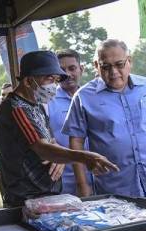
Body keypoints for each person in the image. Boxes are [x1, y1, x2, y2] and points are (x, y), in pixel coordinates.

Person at [0, 50, 118, 231]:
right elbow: (41, 148)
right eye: (49, 78)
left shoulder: (35, 105)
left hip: (46, 196)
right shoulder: (16, 108)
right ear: (29, 80)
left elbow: (47, 145)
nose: (54, 85)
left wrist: (59, 161)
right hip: (27, 199)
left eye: (55, 79)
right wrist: (84, 157)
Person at [63, 39, 146, 198]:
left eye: (119, 64)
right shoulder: (83, 97)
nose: (113, 72)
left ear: (129, 61)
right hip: (114, 188)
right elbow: (76, 142)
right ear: (96, 66)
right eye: (105, 66)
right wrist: (83, 185)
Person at [48, 49, 93, 194]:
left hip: (100, 178)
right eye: (62, 70)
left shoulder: (93, 98)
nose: (67, 74)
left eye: (72, 68)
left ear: (81, 69)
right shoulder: (47, 102)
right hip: (65, 183)